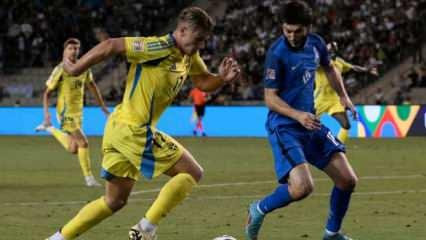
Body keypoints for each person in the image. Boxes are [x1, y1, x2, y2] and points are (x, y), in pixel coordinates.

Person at [46, 6, 240, 240]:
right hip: (133, 130)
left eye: (203, 41)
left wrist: (221, 79)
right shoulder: (158, 47)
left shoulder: (189, 55)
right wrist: (76, 68)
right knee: (193, 172)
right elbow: (111, 46)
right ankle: (145, 230)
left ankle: (57, 238)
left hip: (119, 129)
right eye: (198, 39)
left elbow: (202, 82)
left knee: (114, 200)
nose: (200, 46)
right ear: (182, 30)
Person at [245, 1, 358, 240]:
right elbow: (270, 98)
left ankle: (331, 234)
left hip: (311, 123)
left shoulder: (316, 44)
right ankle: (259, 208)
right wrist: (298, 115)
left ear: (307, 27)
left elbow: (329, 68)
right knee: (302, 188)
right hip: (285, 126)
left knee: (347, 180)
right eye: (288, 31)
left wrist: (344, 96)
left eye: (297, 31)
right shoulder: (277, 54)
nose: (292, 36)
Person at [35, 38, 109, 187]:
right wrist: (47, 114)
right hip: (65, 113)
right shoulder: (61, 69)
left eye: (76, 48)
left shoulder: (84, 68)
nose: (74, 51)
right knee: (84, 143)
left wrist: (103, 107)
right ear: (65, 51)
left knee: (74, 148)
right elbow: (47, 93)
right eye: (70, 48)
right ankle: (89, 179)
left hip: (78, 113)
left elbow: (93, 86)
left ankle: (49, 128)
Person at [315, 41, 378, 143]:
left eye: (333, 49)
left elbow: (353, 67)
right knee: (307, 123)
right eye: (329, 49)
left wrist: (367, 70)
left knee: (346, 125)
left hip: (335, 99)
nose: (331, 51)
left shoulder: (339, 62)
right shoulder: (319, 62)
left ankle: (338, 147)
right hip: (319, 99)